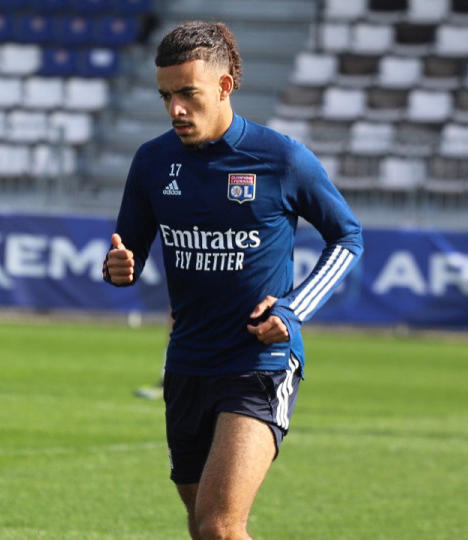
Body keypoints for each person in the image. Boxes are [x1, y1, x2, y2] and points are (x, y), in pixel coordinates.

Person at [103, 21, 363, 539]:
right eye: (166, 96)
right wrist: (116, 269)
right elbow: (125, 250)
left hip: (257, 362)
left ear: (224, 87)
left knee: (221, 526)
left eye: (187, 94)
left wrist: (292, 310)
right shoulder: (153, 161)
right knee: (204, 529)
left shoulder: (282, 158)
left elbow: (347, 238)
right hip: (186, 363)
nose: (175, 108)